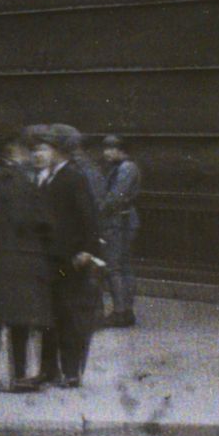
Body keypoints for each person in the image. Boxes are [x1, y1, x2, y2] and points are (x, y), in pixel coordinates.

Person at [37, 124, 106, 388]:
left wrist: (86, 250)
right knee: (48, 313)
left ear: (59, 150)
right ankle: (48, 369)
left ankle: (70, 371)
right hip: (50, 257)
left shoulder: (73, 177)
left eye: (47, 148)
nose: (41, 153)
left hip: (68, 259)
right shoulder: (49, 176)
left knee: (67, 314)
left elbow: (88, 217)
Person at [0, 131, 52, 391]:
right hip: (18, 257)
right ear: (12, 151)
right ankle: (20, 376)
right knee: (19, 323)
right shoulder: (21, 181)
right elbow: (37, 221)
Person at [97, 135, 141, 327]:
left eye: (111, 148)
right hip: (123, 219)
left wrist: (98, 211)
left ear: (122, 149)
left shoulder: (126, 168)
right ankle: (125, 310)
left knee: (114, 267)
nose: (106, 152)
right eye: (106, 148)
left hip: (118, 221)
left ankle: (120, 311)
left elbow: (115, 197)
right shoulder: (122, 167)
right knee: (123, 266)